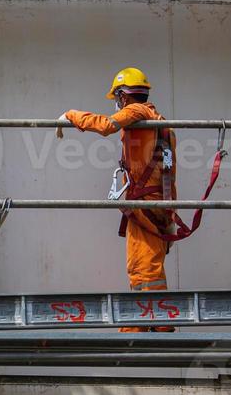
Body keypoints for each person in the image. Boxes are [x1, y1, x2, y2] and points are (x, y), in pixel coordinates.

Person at [58, 66, 175, 329]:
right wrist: (170, 217)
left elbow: (106, 125)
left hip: (145, 204)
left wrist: (72, 116)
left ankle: (158, 324)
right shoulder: (158, 120)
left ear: (123, 95)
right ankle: (140, 323)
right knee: (140, 265)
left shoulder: (136, 112)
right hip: (151, 204)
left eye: (117, 98)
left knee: (146, 267)